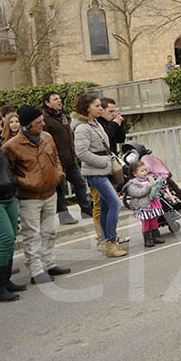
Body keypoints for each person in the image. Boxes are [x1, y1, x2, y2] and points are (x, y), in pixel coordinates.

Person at [2, 105, 71, 282]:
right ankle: (36, 270)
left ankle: (49, 263)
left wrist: (58, 174)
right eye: (38, 122)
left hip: (50, 191)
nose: (42, 124)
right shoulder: (11, 146)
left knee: (49, 231)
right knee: (32, 234)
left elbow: (55, 158)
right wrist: (25, 183)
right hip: (28, 197)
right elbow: (8, 172)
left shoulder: (47, 137)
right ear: (28, 125)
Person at [72, 95, 127, 258]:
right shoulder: (82, 127)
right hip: (96, 172)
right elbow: (81, 152)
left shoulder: (94, 123)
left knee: (105, 207)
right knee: (114, 204)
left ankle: (106, 241)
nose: (100, 108)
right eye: (97, 106)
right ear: (87, 108)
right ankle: (110, 242)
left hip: (105, 170)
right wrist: (104, 162)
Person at [0, 110, 27, 301]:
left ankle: (5, 280)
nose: (0, 128)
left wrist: (11, 183)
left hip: (8, 198)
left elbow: (4, 170)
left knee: (10, 238)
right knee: (4, 239)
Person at [42, 91, 93, 224]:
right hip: (56, 161)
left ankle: (86, 209)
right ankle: (63, 215)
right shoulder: (46, 119)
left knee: (80, 182)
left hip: (70, 159)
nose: (59, 101)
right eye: (55, 99)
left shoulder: (63, 116)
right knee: (60, 189)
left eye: (59, 98)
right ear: (47, 103)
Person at [123, 160, 165, 247]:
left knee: (154, 220)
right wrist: (149, 187)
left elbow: (154, 190)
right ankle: (147, 239)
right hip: (142, 206)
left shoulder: (149, 179)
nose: (145, 172)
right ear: (135, 174)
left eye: (145, 170)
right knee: (146, 222)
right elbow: (139, 193)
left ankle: (155, 236)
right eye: (142, 171)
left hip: (152, 204)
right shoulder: (132, 184)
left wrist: (156, 185)